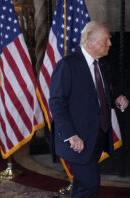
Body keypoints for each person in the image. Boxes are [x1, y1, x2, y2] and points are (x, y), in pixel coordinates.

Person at [49, 21, 129, 198]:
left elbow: (100, 95)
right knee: (90, 184)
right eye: (107, 40)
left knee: (82, 184)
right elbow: (56, 103)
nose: (110, 43)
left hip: (97, 136)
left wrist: (117, 99)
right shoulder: (67, 65)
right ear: (91, 42)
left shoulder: (102, 65)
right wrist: (71, 135)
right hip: (77, 139)